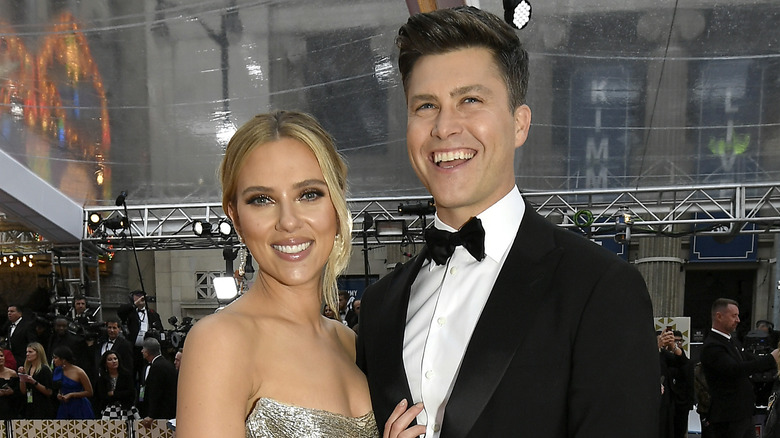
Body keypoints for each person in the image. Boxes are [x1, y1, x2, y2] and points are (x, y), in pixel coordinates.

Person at [356, 6, 659, 437]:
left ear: (519, 124)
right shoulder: (380, 308)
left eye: (470, 100)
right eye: (426, 106)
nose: (444, 127)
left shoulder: (599, 288)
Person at [176, 111, 422, 438]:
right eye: (261, 200)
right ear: (235, 216)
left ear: (336, 204)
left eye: (309, 194)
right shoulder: (220, 342)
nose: (288, 221)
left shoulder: (350, 344)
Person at [701, 298, 779, 438]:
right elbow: (735, 369)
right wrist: (770, 359)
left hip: (743, 414)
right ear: (719, 316)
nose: (738, 320)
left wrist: (773, 360)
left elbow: (748, 359)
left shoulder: (732, 341)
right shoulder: (712, 346)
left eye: (738, 315)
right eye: (734, 316)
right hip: (728, 417)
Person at [117, 290, 163, 381]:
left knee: (145, 374)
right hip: (133, 349)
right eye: (137, 296)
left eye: (142, 296)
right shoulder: (129, 313)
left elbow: (160, 329)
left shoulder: (152, 314)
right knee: (131, 374)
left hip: (147, 350)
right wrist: (135, 304)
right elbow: (120, 311)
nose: (141, 299)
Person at [139, 338, 177, 427]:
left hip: (161, 415)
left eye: (143, 349)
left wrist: (152, 415)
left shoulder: (157, 367)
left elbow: (155, 392)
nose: (141, 351)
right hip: (170, 412)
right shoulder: (168, 364)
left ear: (147, 352)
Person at [51, 346, 94, 419]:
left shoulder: (79, 372)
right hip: (64, 406)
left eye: (56, 358)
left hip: (79, 406)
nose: (53, 360)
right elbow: (59, 386)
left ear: (63, 359)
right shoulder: (58, 371)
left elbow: (89, 392)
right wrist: (59, 394)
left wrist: (72, 395)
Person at [95, 350, 138, 420]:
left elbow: (131, 392)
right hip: (109, 409)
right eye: (110, 359)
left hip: (126, 408)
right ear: (105, 363)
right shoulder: (102, 378)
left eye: (115, 358)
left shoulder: (126, 375)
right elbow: (102, 395)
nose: (114, 361)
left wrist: (114, 394)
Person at [17, 342, 55, 419]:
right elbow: (23, 391)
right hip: (29, 406)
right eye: (27, 352)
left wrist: (34, 382)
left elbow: (49, 392)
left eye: (30, 352)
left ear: (38, 353)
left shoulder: (44, 369)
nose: (27, 354)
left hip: (42, 407)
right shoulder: (27, 369)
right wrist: (22, 376)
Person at [0, 349, 20, 419]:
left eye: (1, 356)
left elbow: (19, 392)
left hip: (11, 408)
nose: (0, 358)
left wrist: (12, 392)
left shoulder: (12, 373)